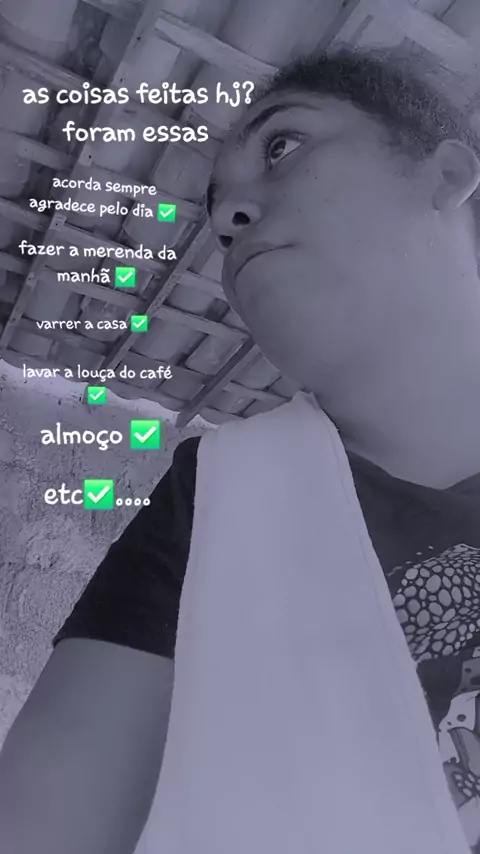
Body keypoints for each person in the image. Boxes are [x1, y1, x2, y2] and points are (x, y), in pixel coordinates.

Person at [2, 46, 480, 854]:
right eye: (216, 210)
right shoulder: (221, 500)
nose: (226, 221)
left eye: (283, 146)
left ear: (447, 174)